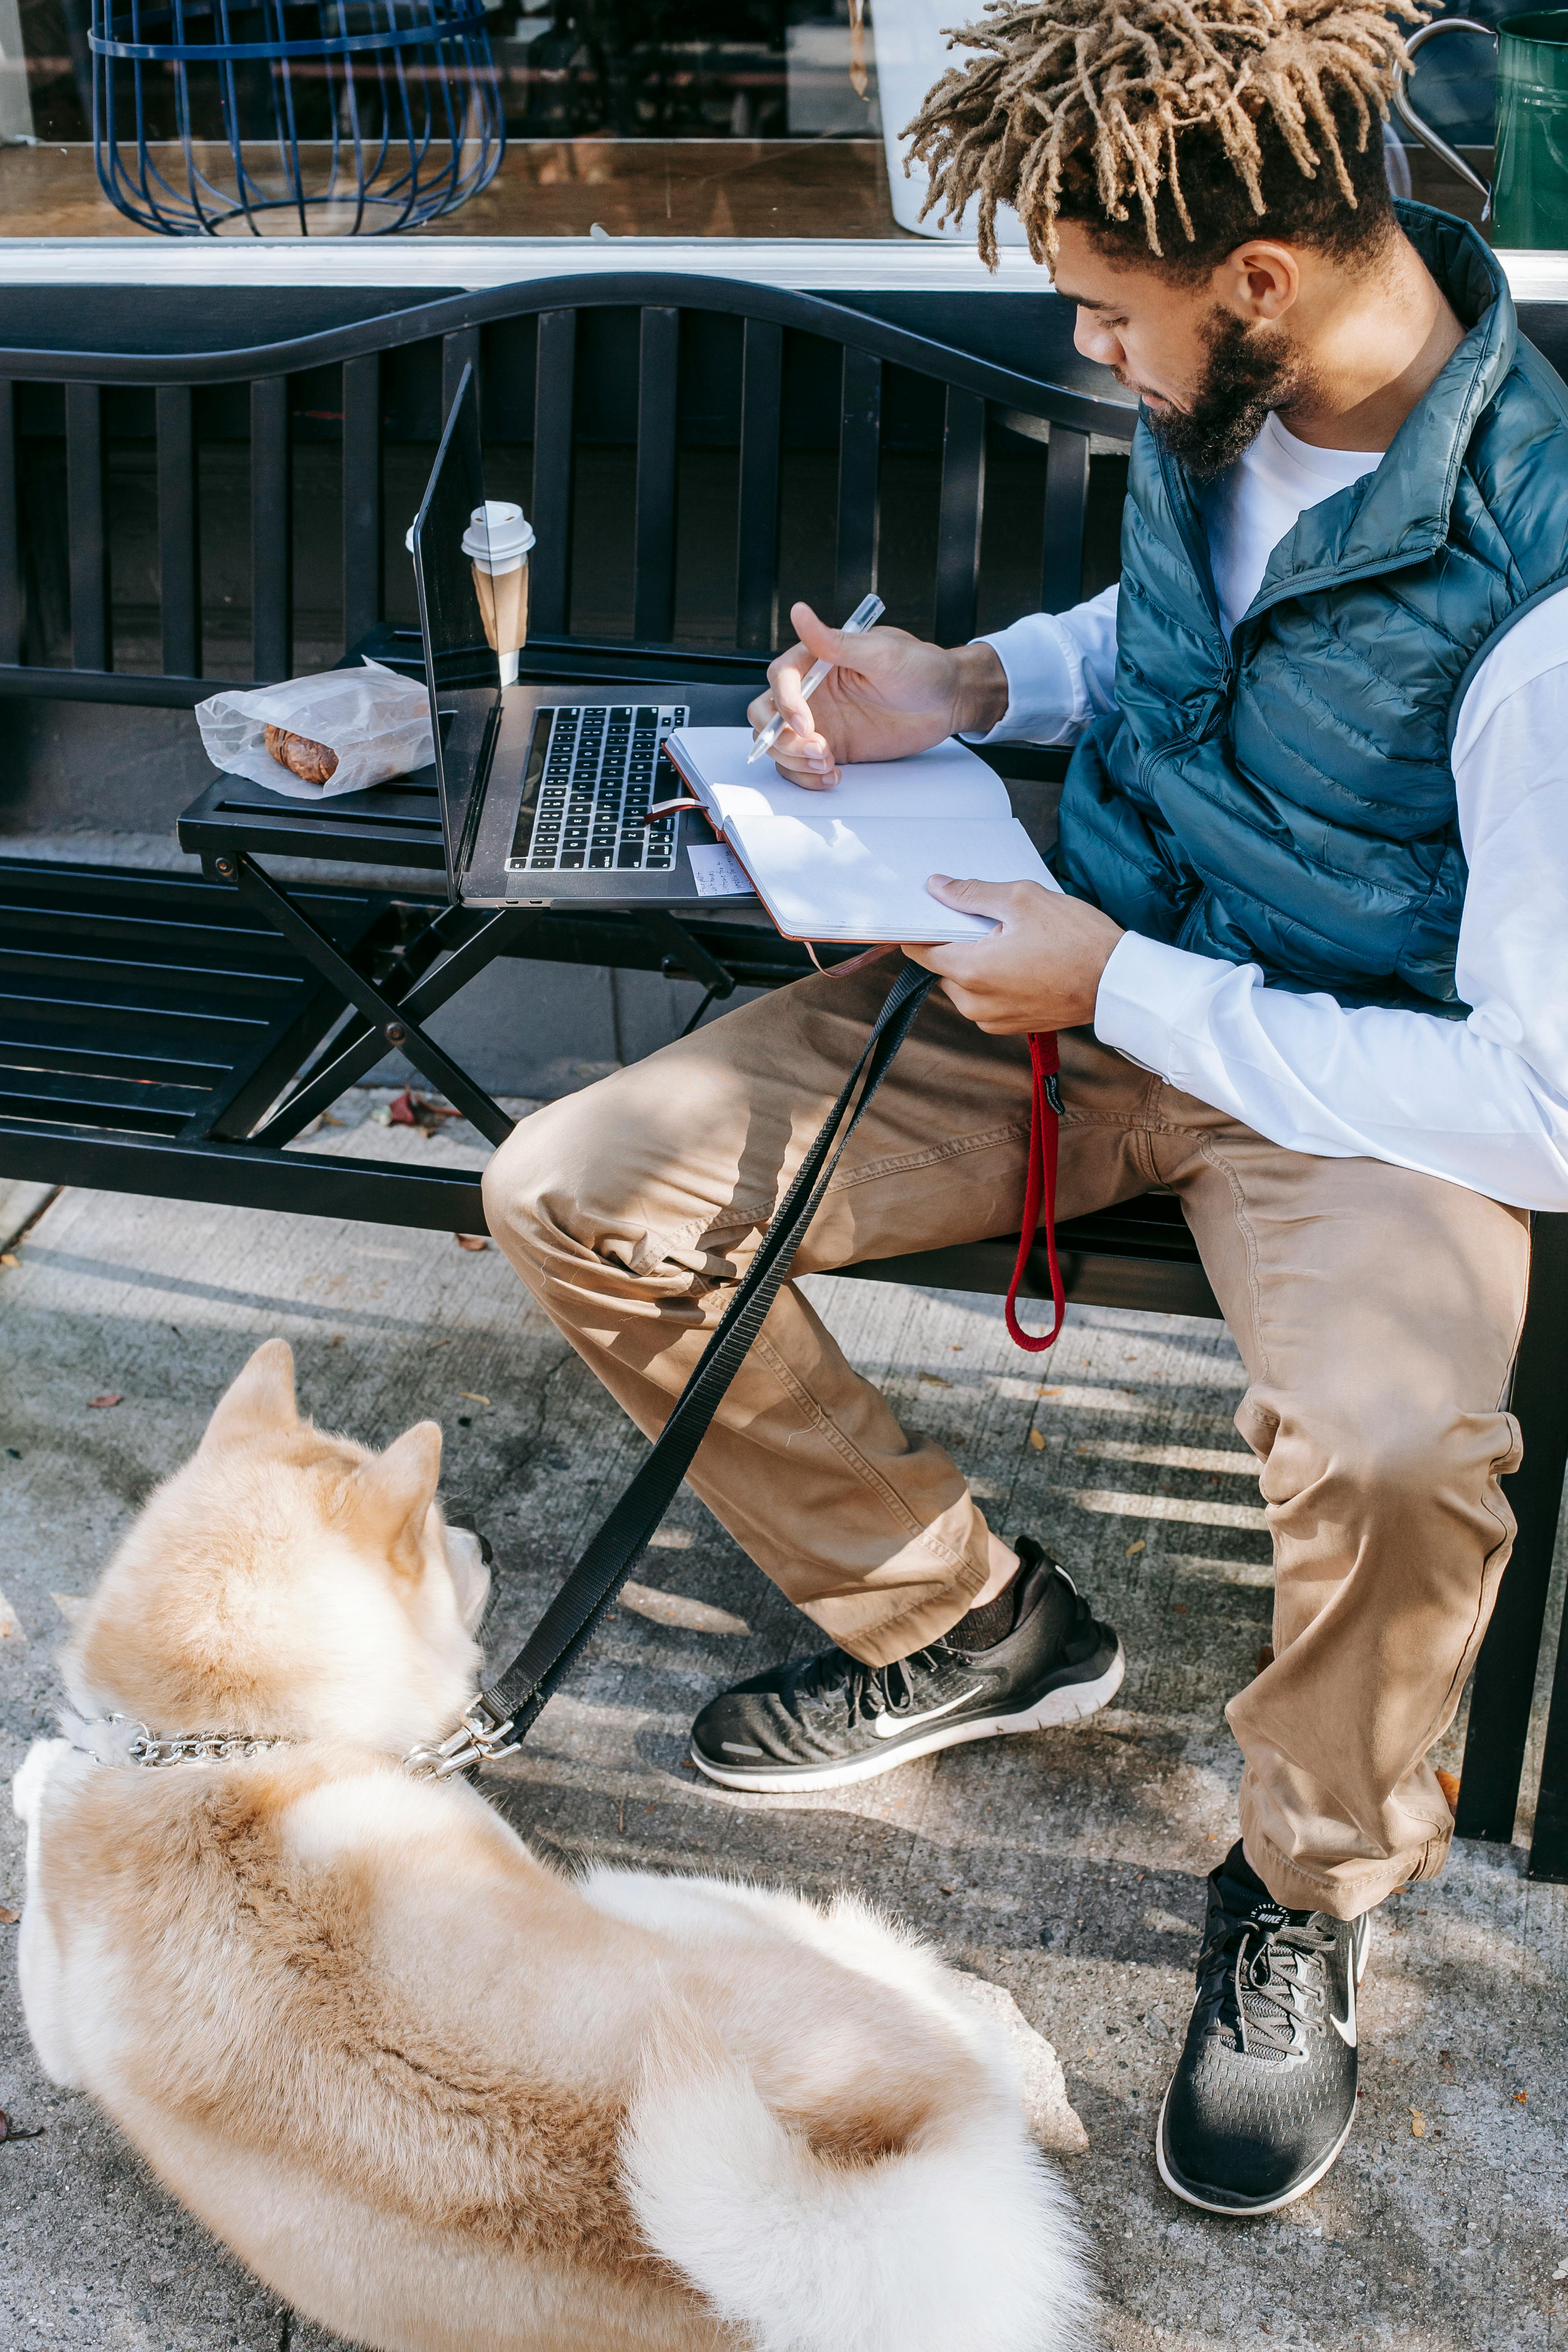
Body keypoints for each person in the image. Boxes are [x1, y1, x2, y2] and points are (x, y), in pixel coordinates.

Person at [483, 0, 1568, 2218]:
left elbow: (1544, 1098)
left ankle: (1306, 1893)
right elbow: (1189, 626)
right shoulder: (1241, 390)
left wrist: (1135, 984)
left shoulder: (1544, 596)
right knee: (576, 1187)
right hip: (1071, 968)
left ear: (1256, 282)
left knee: (1390, 1450)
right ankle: (965, 1626)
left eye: (1104, 307)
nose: (1090, 344)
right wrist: (965, 684)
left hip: (1349, 1082)